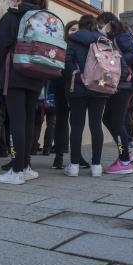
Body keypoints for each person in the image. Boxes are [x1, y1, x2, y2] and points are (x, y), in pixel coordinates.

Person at [0, 0, 47, 184]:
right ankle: (26, 166)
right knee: (28, 120)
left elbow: (3, 44)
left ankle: (16, 171)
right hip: (37, 72)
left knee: (16, 120)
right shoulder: (42, 17)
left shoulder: (11, 16)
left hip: (15, 71)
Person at [64, 14, 109, 177]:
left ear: (81, 25)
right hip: (100, 87)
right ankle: (96, 166)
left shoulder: (74, 38)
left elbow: (67, 62)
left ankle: (74, 166)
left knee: (76, 126)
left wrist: (77, 76)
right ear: (94, 25)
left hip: (79, 87)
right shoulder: (103, 39)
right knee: (96, 125)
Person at [98, 12, 133, 175]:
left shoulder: (121, 35)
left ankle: (124, 160)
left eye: (101, 25)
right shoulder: (116, 36)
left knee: (115, 120)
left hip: (124, 85)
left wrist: (115, 60)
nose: (100, 28)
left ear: (108, 22)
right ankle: (126, 153)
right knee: (110, 119)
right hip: (118, 84)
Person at [51, 20, 90, 170]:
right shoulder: (61, 45)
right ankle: (58, 157)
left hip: (77, 89)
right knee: (61, 122)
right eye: (72, 29)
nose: (75, 32)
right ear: (67, 32)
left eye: (77, 30)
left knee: (76, 124)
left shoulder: (84, 48)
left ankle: (77, 157)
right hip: (61, 87)